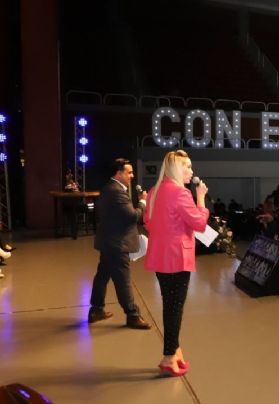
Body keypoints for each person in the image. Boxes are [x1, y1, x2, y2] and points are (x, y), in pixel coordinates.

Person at [144, 150, 209, 377]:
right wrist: (200, 198)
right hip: (178, 257)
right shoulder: (181, 194)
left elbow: (148, 222)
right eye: (187, 167)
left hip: (160, 256)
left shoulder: (153, 192)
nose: (191, 171)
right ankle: (168, 356)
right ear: (176, 169)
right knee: (174, 308)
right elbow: (200, 223)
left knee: (170, 305)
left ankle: (176, 350)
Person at [88, 158, 151, 330]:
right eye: (129, 172)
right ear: (119, 173)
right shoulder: (117, 191)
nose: (132, 175)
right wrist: (143, 203)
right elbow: (132, 217)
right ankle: (132, 315)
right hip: (117, 244)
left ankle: (96, 310)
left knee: (102, 276)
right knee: (123, 280)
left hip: (109, 241)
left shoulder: (110, 188)